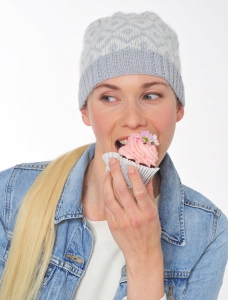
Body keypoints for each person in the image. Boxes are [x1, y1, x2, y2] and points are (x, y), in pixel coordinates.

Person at [0, 11, 227, 300]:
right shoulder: (9, 196)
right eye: (109, 97)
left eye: (151, 95)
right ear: (86, 112)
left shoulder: (208, 233)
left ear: (178, 109)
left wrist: (144, 258)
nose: (133, 119)